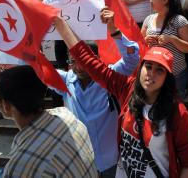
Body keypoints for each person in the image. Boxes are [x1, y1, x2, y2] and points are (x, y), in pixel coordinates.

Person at [54, 16, 188, 178]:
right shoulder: (127, 89)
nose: (151, 74)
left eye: (159, 70)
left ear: (167, 78)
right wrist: (60, 24)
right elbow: (87, 60)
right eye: (148, 66)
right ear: (141, 68)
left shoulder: (177, 111)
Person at [51, 9, 140, 177]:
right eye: (72, 62)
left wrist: (114, 30)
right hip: (81, 161)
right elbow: (42, 71)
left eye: (82, 61)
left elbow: (132, 58)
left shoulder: (112, 76)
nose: (77, 66)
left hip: (113, 160)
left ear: (95, 60)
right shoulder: (66, 80)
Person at [0, 65, 97, 177]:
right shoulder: (68, 118)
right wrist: (2, 85)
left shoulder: (19, 168)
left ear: (5, 105)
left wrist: (3, 88)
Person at [142, 0, 188, 96]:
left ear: (165, 0)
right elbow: (139, 44)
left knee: (176, 108)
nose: (150, 1)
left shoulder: (179, 20)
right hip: (153, 73)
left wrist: (172, 39)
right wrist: (145, 40)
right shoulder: (148, 19)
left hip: (175, 74)